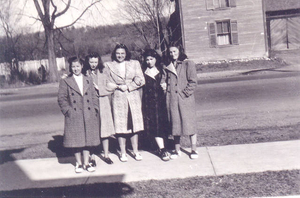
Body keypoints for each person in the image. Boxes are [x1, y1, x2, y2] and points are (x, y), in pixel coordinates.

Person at [58, 56, 100, 173]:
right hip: (74, 114)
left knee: (88, 139)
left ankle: (87, 163)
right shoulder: (66, 81)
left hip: (88, 114)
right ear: (70, 68)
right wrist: (68, 111)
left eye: (77, 66)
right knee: (76, 140)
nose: (75, 68)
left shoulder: (88, 79)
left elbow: (93, 96)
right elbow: (61, 99)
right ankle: (79, 163)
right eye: (73, 66)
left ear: (82, 66)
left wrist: (95, 108)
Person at [105, 43, 145, 162]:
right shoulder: (109, 65)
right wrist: (118, 86)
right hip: (118, 97)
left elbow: (141, 79)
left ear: (126, 53)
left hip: (132, 97)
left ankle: (135, 151)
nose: (120, 55)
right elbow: (106, 82)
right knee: (120, 126)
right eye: (118, 53)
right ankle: (123, 153)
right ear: (114, 54)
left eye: (122, 53)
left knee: (134, 125)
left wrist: (129, 86)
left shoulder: (134, 63)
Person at [161, 42, 198, 160]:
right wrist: (163, 85)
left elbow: (193, 82)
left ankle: (193, 150)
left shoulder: (188, 63)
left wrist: (184, 93)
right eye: (170, 52)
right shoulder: (166, 65)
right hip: (171, 99)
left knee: (190, 124)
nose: (172, 54)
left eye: (175, 51)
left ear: (179, 51)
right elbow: (164, 79)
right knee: (175, 125)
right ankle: (177, 150)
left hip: (185, 99)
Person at [84, 52, 115, 165]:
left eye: (95, 62)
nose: (93, 64)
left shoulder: (104, 71)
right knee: (93, 130)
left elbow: (111, 87)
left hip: (103, 102)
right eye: (91, 62)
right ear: (87, 62)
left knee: (105, 130)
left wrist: (99, 88)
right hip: (90, 104)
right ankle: (92, 157)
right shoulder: (84, 73)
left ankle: (106, 155)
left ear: (99, 61)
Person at [141, 49, 170, 161]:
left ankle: (165, 146)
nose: (149, 62)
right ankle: (162, 149)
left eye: (151, 59)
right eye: (147, 59)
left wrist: (165, 86)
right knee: (155, 125)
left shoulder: (162, 70)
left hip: (162, 101)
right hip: (149, 102)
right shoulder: (143, 71)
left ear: (155, 59)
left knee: (163, 124)